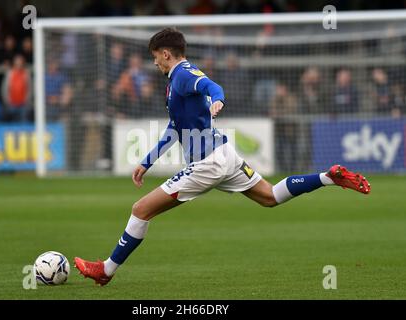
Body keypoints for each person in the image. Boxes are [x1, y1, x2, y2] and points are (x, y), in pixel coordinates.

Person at [74, 28, 371, 286]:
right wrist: (146, 162)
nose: (153, 62)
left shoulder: (181, 76)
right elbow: (175, 128)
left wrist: (218, 99)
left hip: (207, 164)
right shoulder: (181, 76)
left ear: (165, 53)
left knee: (140, 210)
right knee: (270, 196)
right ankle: (327, 177)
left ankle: (106, 270)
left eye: (154, 55)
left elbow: (212, 86)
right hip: (224, 155)